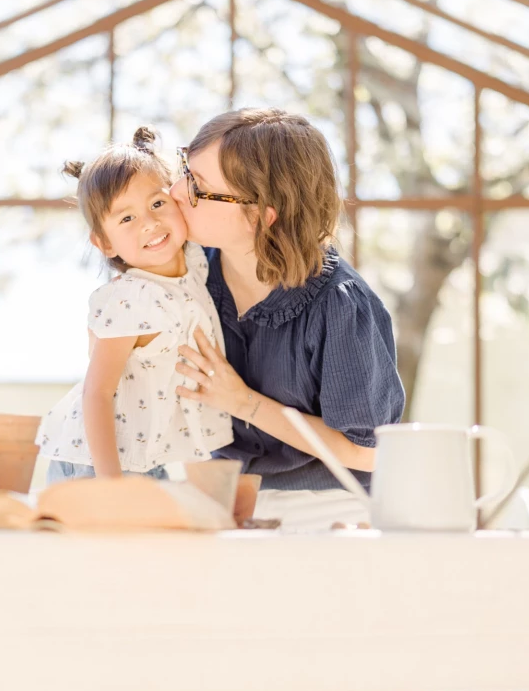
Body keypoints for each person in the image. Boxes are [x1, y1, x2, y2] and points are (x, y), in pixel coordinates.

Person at [169, 108, 405, 502]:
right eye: (185, 170)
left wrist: (243, 402)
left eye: (198, 185)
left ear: (260, 216)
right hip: (227, 501)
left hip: (330, 511)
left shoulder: (341, 306)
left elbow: (369, 453)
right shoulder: (190, 273)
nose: (176, 191)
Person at [36, 127, 233, 489]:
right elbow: (96, 393)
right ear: (104, 243)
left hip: (145, 457)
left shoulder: (195, 262)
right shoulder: (131, 299)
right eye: (126, 219)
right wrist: (112, 486)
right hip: (99, 464)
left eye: (157, 204)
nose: (150, 223)